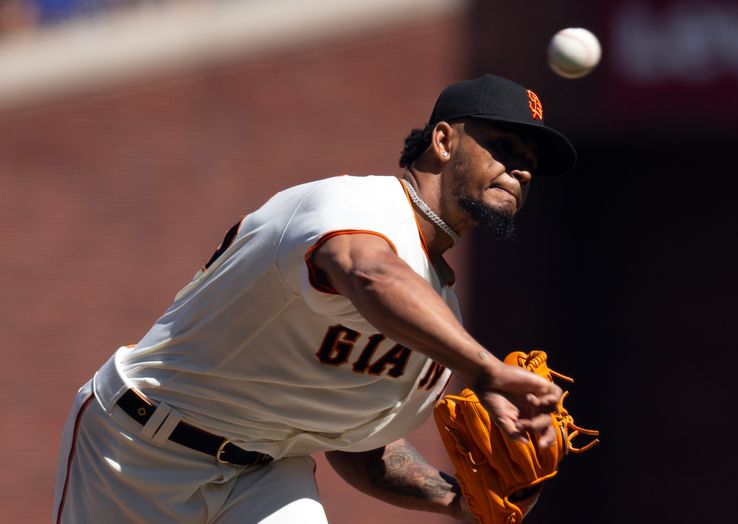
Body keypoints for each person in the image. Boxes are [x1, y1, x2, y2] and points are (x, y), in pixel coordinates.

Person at [53, 73, 578, 523]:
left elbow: (357, 446)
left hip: (264, 475)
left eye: (530, 161)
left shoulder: (440, 317)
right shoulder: (355, 202)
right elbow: (367, 271)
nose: (523, 169)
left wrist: (455, 499)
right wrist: (484, 370)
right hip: (137, 449)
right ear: (443, 141)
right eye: (505, 147)